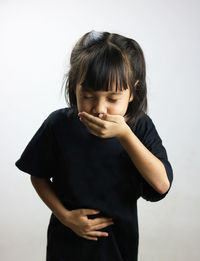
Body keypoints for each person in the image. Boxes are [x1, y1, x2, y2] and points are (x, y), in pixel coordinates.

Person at [15, 30, 173, 261]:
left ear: (132, 92)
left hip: (119, 243)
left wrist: (125, 135)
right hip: (67, 241)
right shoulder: (59, 124)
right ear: (74, 87)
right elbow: (37, 176)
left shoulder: (139, 128)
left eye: (112, 98)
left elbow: (161, 184)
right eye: (88, 95)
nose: (100, 109)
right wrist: (66, 217)